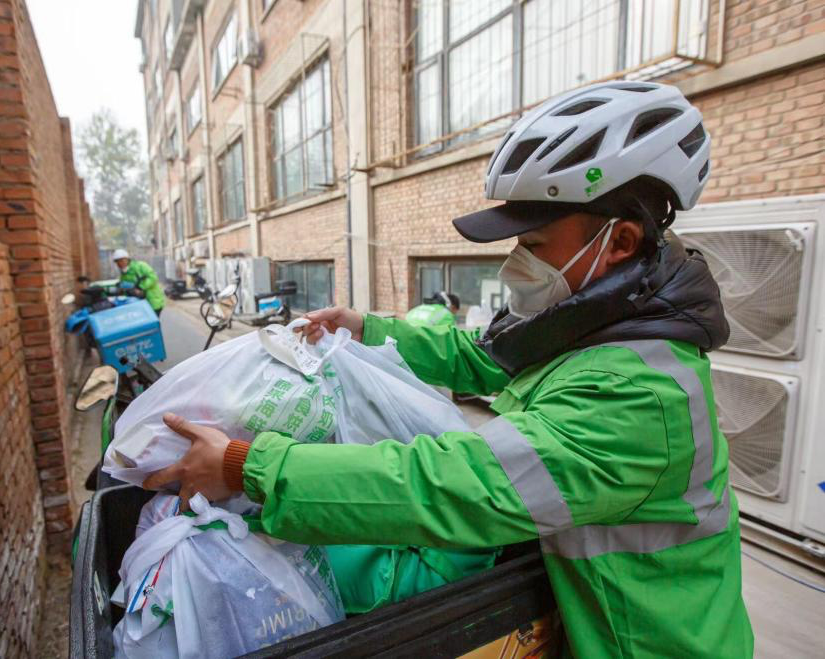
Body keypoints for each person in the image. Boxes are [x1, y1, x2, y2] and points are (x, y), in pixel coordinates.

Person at [142, 82, 754, 657]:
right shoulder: (596, 320)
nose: (516, 263)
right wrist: (366, 330)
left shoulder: (639, 396)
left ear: (619, 242)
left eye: (534, 246)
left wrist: (247, 466)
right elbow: (484, 359)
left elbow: (458, 486)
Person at [112, 248, 166, 316]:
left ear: (127, 259)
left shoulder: (140, 266)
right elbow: (128, 289)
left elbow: (153, 278)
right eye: (117, 262)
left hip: (152, 301)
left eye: (122, 260)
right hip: (139, 305)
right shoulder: (124, 275)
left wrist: (140, 287)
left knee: (152, 324)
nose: (120, 263)